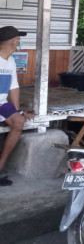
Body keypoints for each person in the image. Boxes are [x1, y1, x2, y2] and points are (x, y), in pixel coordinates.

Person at [0, 26, 33, 186]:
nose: (19, 42)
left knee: (19, 121)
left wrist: (17, 110)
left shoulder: (11, 61)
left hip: (1, 103)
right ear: (13, 41)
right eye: (18, 39)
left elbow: (13, 86)